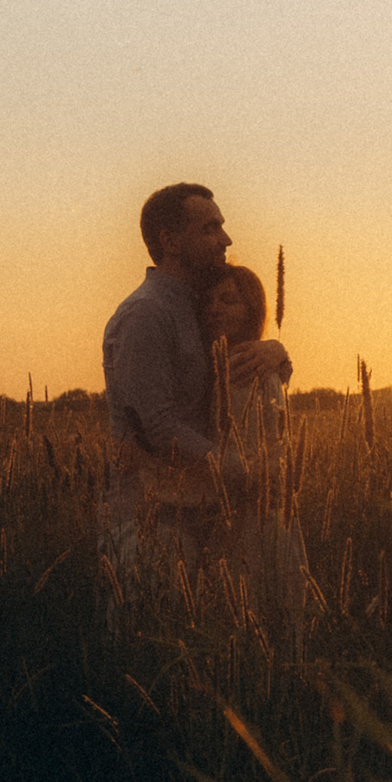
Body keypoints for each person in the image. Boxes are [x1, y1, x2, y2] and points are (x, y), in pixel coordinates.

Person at [101, 182, 248, 587]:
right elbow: (156, 427)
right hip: (152, 525)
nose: (226, 239)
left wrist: (275, 355)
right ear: (171, 242)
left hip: (196, 519)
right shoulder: (146, 315)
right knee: (144, 645)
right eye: (210, 228)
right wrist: (241, 470)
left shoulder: (200, 310)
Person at [198, 261, 314, 641]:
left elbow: (262, 451)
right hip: (238, 513)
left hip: (257, 514)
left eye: (228, 300)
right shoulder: (228, 362)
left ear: (253, 309)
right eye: (210, 300)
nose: (215, 307)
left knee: (261, 618)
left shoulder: (249, 366)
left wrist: (278, 354)